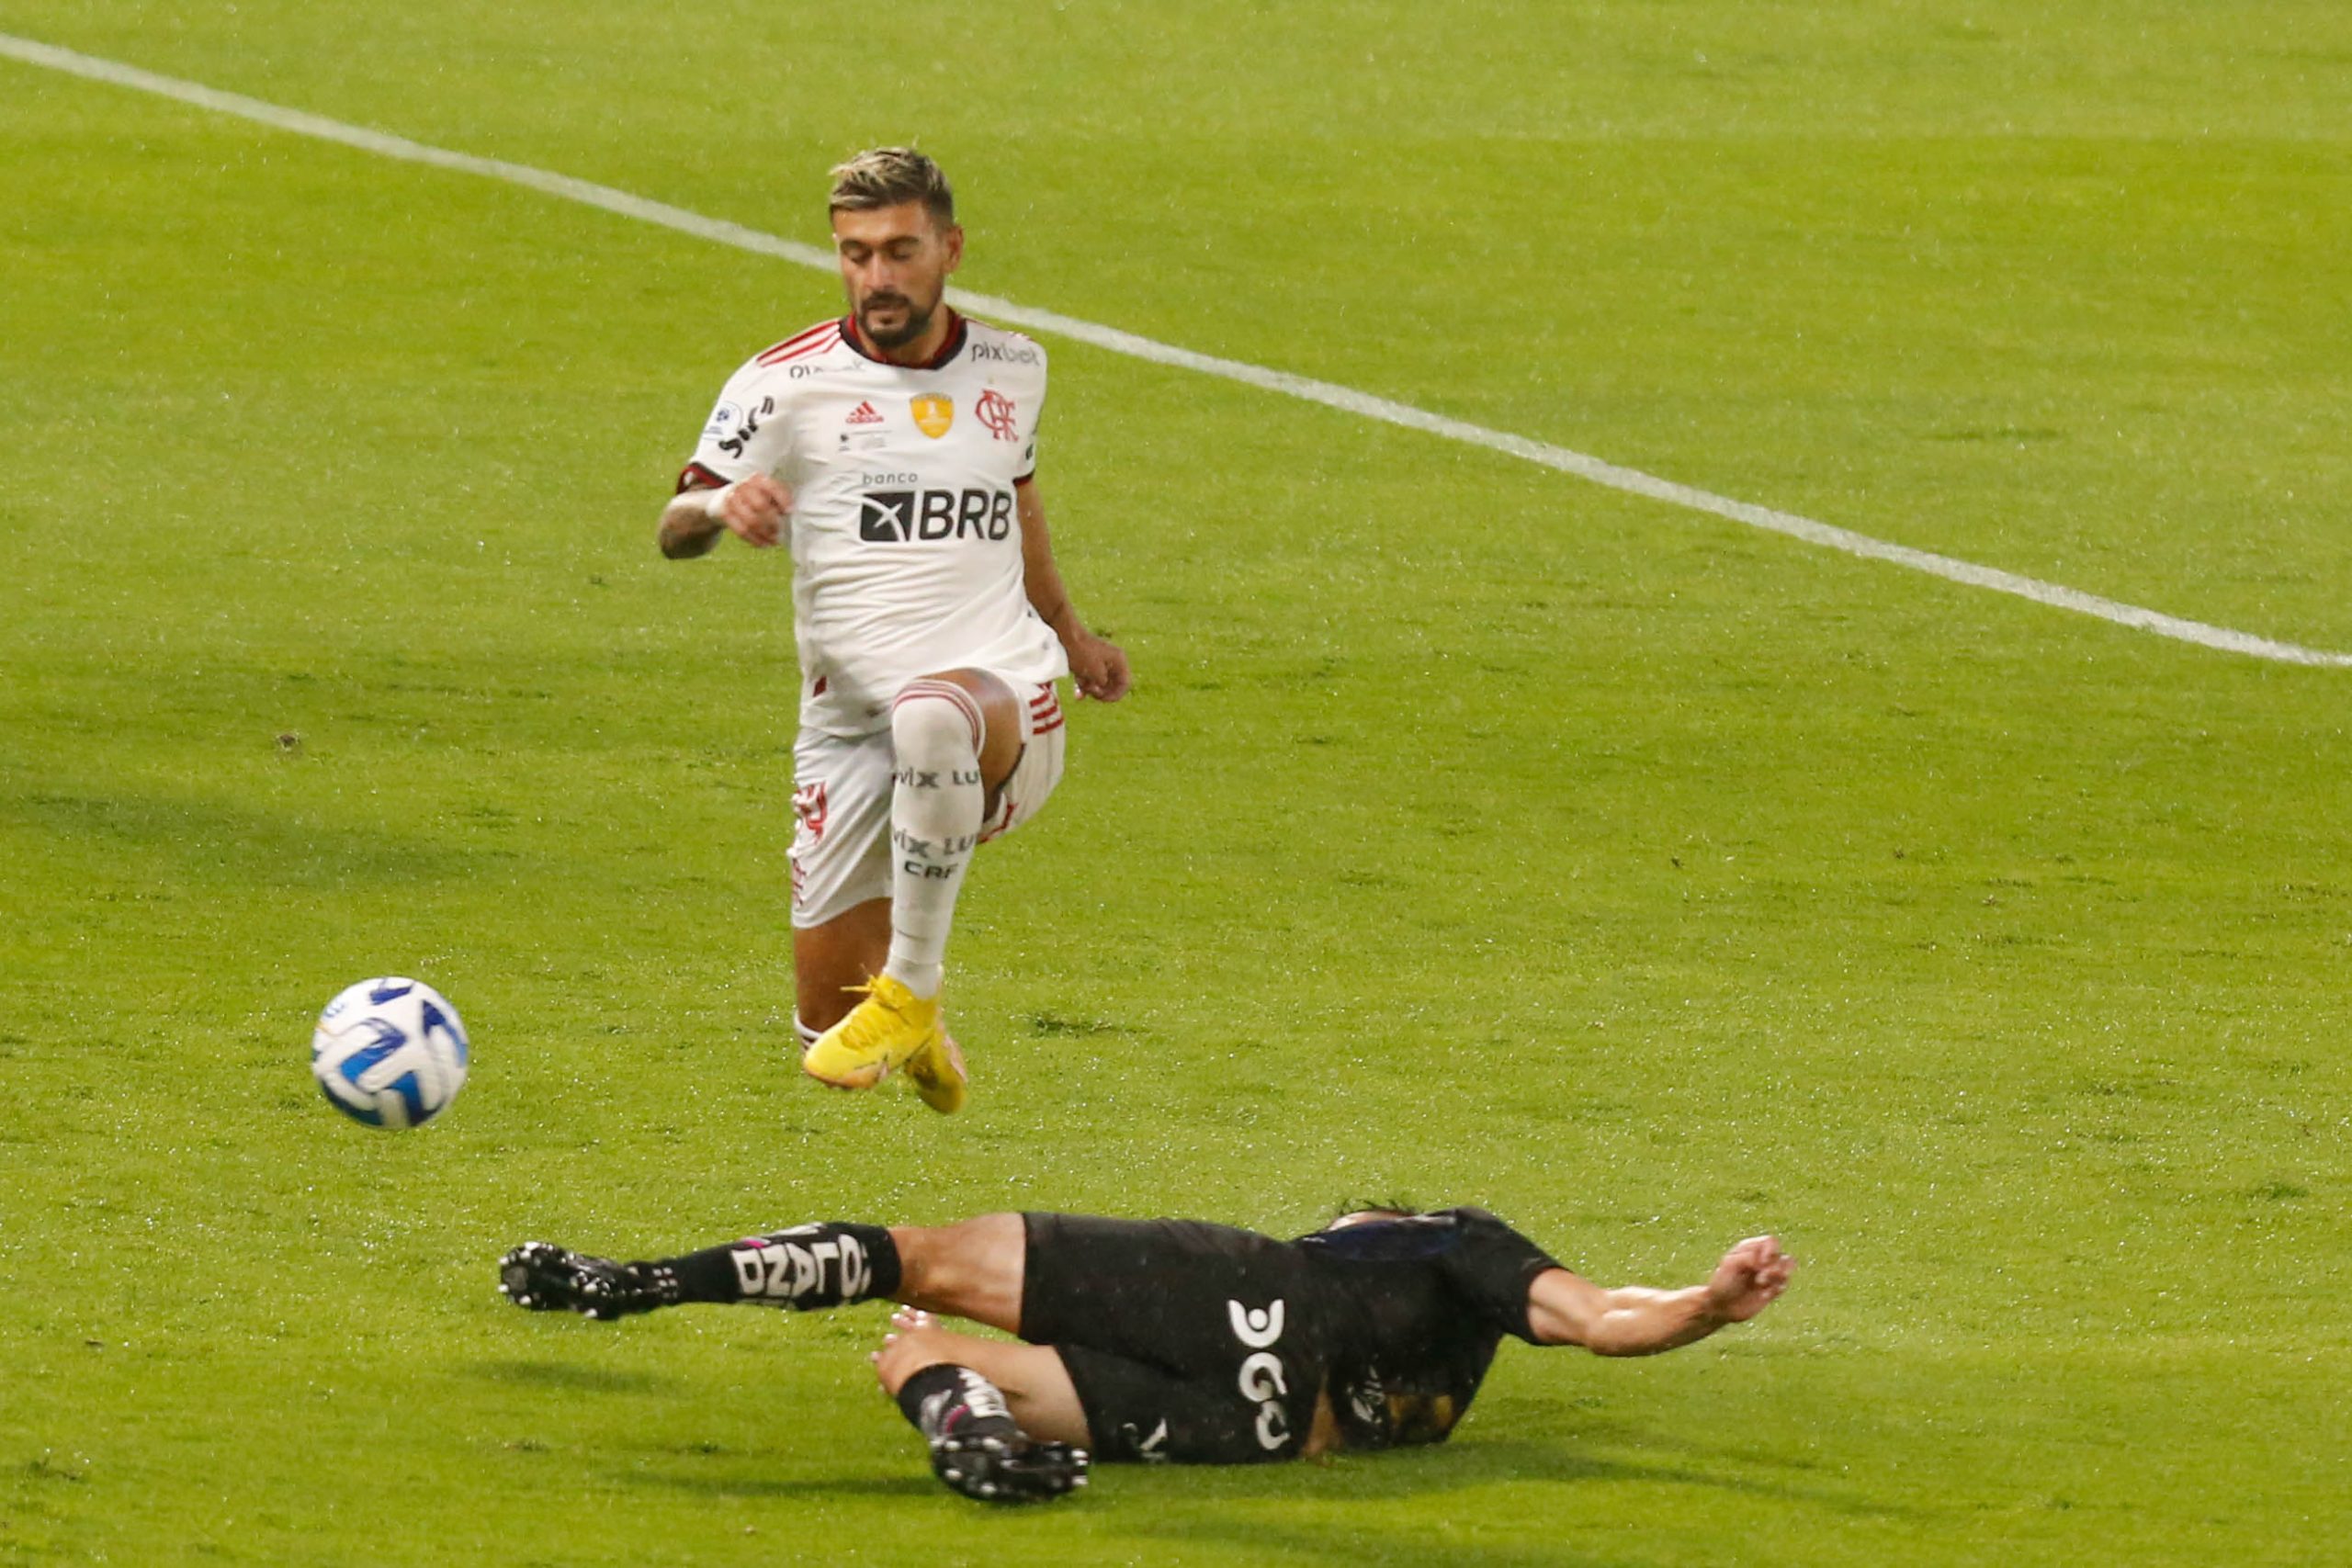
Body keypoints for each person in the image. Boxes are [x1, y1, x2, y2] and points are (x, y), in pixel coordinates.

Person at [656, 147, 1130, 1113]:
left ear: (949, 248)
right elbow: (673, 526)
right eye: (854, 253)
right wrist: (720, 510)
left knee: (931, 715)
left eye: (899, 251)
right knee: (826, 1031)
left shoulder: (1013, 366)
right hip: (847, 735)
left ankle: (915, 984)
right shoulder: (780, 385)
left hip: (1002, 701)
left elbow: (1018, 504)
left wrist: (1072, 636)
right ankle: (915, 1034)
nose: (876, 276)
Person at [498, 1207, 1793, 1504]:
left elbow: (1604, 1308)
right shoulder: (1473, 1315)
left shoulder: (1446, 1237)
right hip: (1267, 1434)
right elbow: (1612, 1313)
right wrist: (1716, 1304)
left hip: (1250, 1297)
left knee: (919, 1272)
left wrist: (1709, 1302)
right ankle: (970, 1427)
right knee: (933, 1349)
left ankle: (644, 1281)